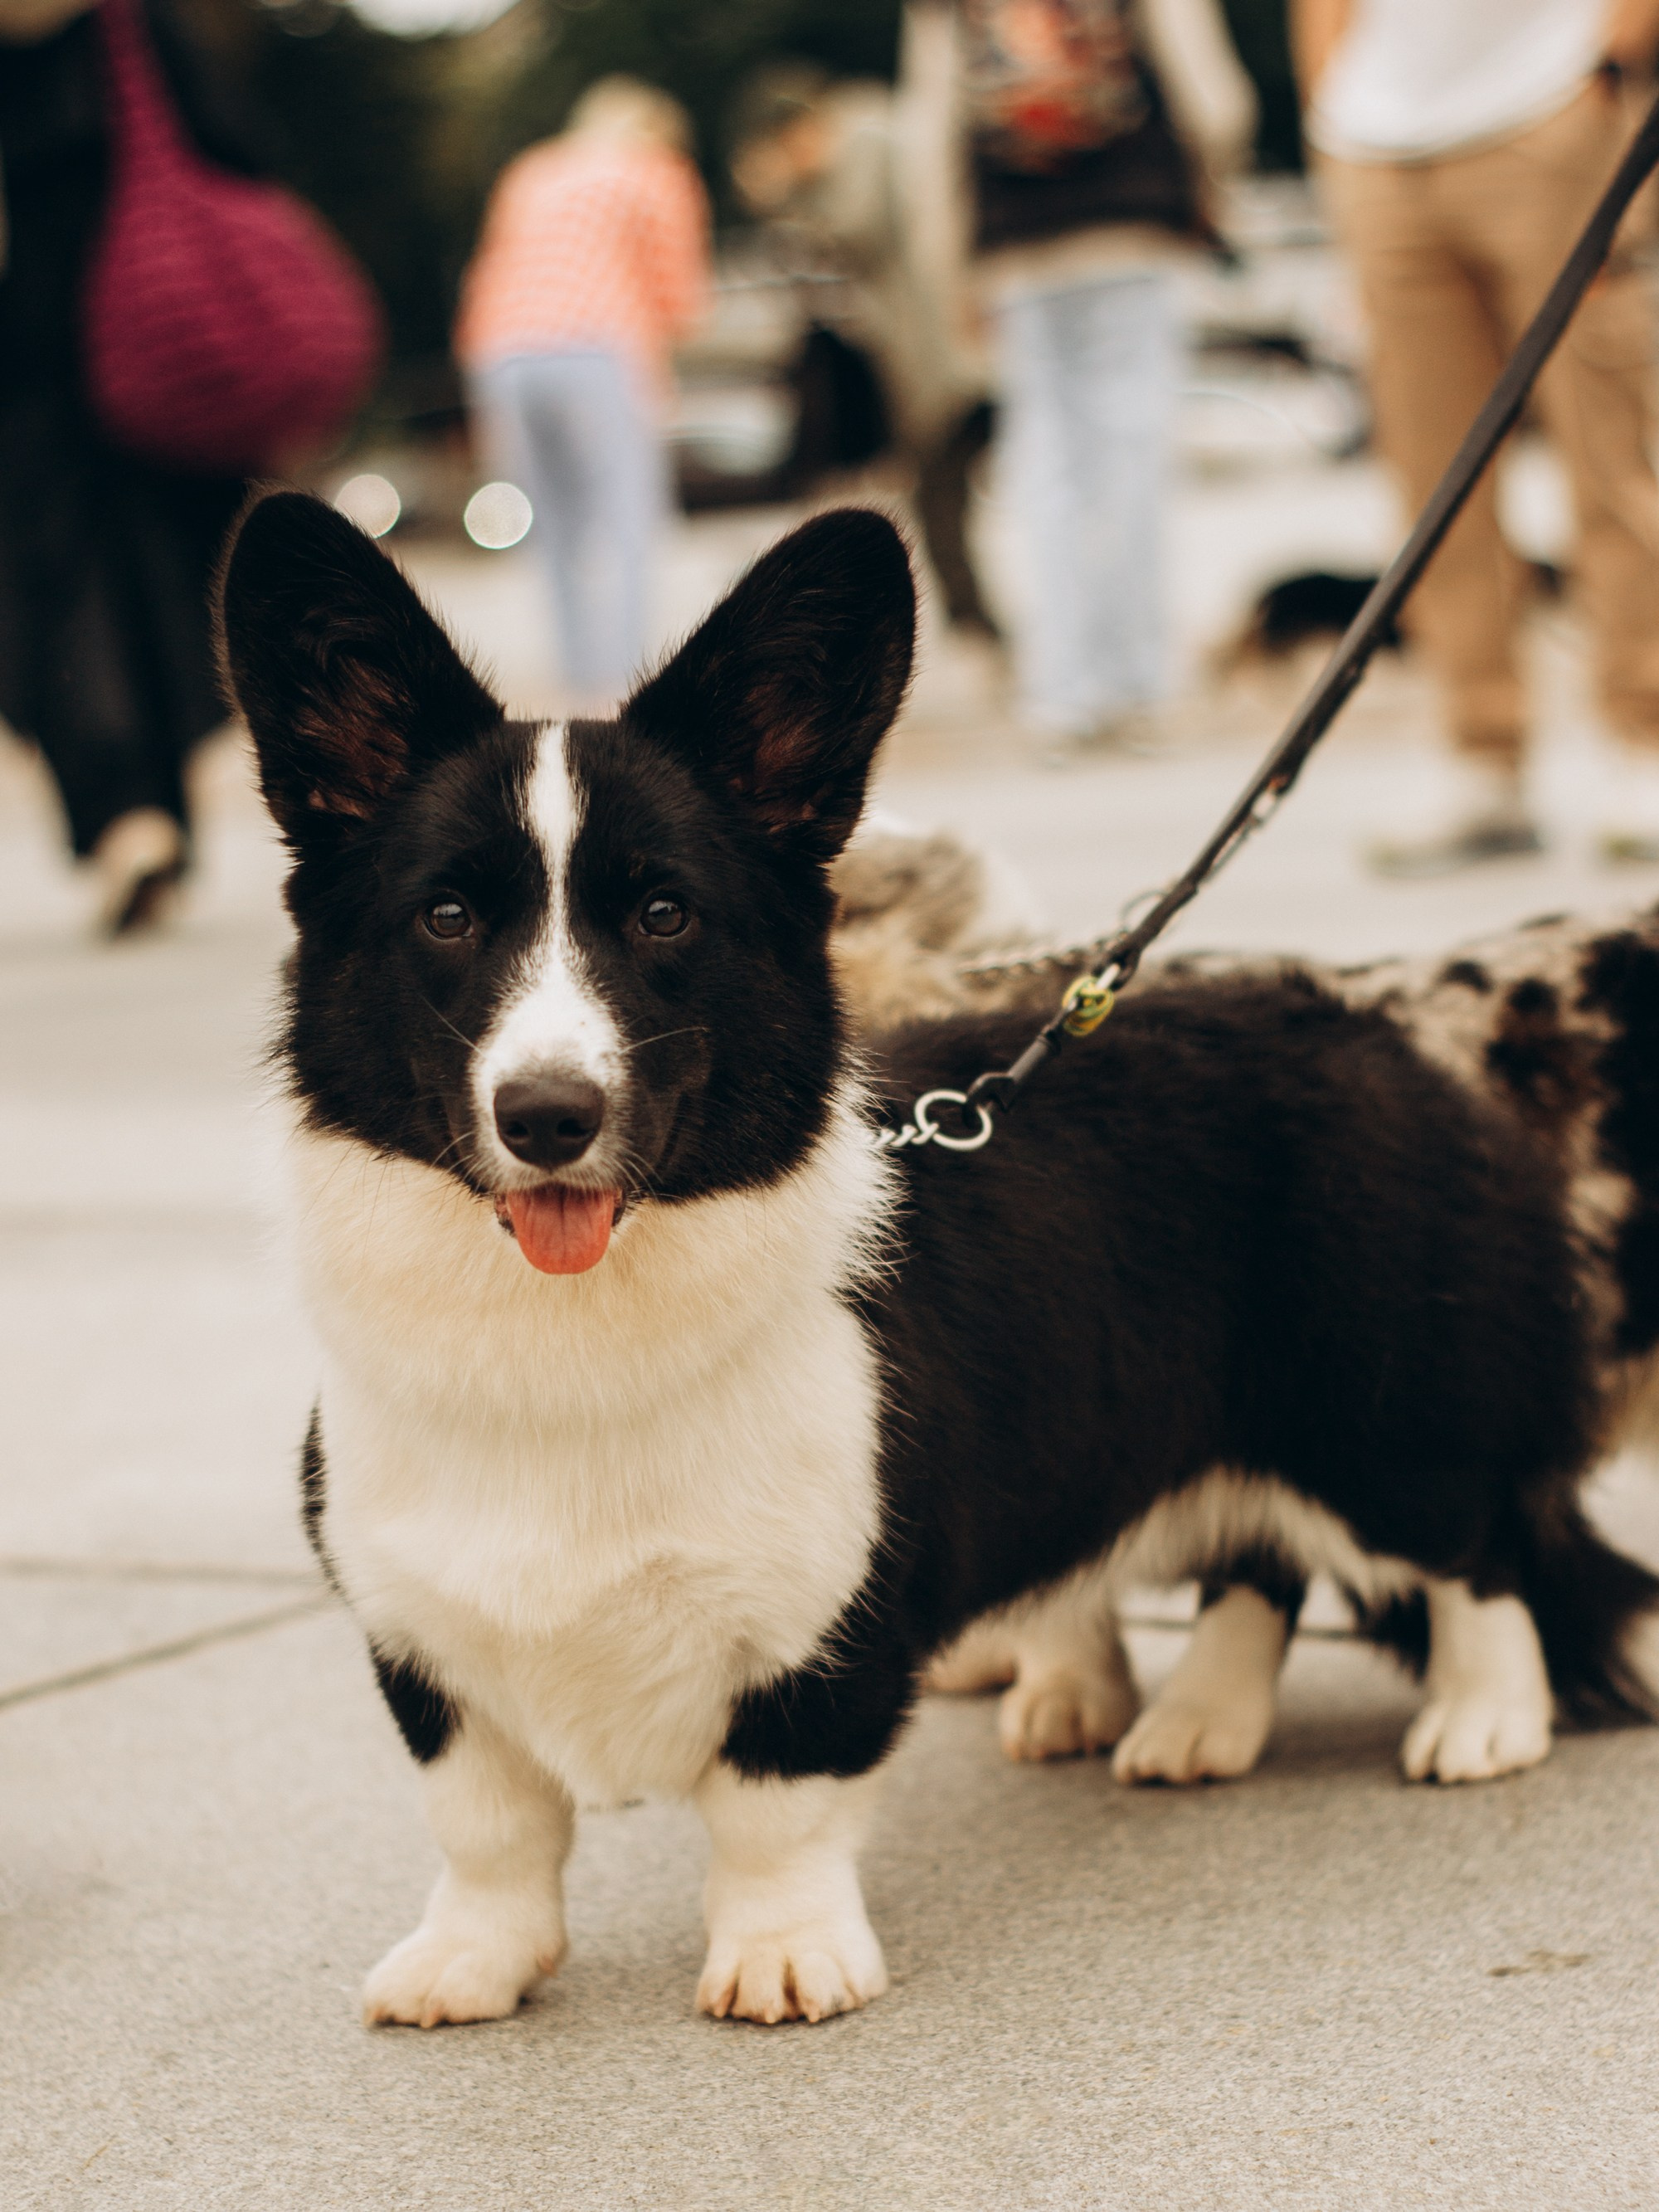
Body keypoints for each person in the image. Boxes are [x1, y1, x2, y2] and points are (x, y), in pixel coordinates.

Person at [1297, 0, 1659, 874]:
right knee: (1431, 477)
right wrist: (1330, 104)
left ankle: (1643, 734)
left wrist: (1612, 57)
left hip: (1550, 106)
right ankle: (1481, 752)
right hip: (1376, 139)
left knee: (1607, 455)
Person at [911, 0, 1257, 753]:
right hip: (1130, 223)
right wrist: (1212, 185)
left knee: (1046, 465)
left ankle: (1061, 691)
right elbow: (1214, 96)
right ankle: (1141, 684)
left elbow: (930, 128)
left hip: (1018, 242)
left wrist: (952, 266)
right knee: (1132, 457)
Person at [0, 0, 253, 933]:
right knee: (161, 583)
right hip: (158, 349)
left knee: (55, 589)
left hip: (34, 373)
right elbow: (238, 147)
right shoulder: (132, 28)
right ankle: (152, 811)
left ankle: (126, 814)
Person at [455, 79, 712, 708]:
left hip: (503, 351)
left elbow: (489, 268)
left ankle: (578, 676)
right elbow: (679, 291)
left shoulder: (533, 170)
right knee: (627, 518)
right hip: (596, 343)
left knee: (555, 526)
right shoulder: (654, 171)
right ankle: (621, 685)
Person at [730, 64, 1005, 639]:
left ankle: (980, 626)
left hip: (950, 353)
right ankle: (976, 623)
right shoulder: (862, 143)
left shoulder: (868, 140)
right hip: (928, 357)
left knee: (946, 492)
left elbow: (858, 228)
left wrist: (788, 193)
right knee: (941, 495)